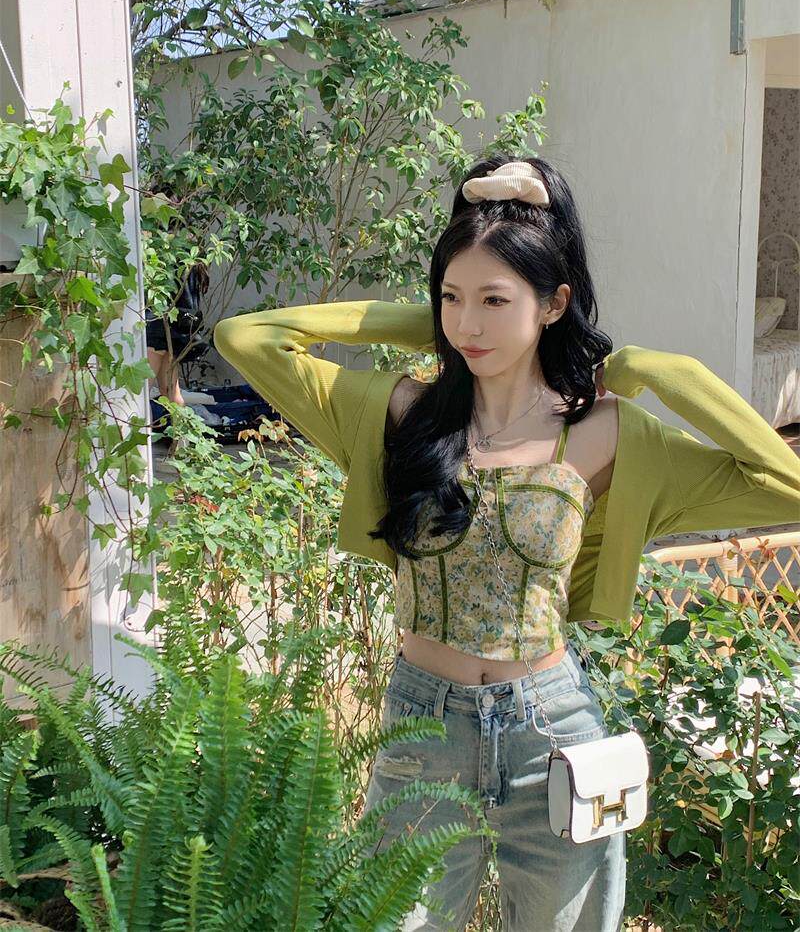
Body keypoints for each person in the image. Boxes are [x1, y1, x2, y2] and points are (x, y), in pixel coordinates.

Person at [213, 155, 800, 931]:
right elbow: (246, 337)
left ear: (554, 303)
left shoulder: (607, 434)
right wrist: (419, 322)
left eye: (495, 300)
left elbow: (784, 484)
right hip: (422, 727)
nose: (469, 325)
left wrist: (664, 372)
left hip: (551, 729)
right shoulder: (398, 413)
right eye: (452, 298)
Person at [146, 262, 209, 407]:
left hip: (156, 325)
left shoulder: (170, 258)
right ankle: (182, 421)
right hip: (175, 324)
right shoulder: (188, 259)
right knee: (171, 393)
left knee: (139, 395)